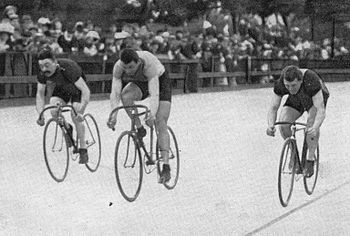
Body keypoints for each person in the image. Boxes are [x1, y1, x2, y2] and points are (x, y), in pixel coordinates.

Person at [107, 48, 172, 183]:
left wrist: (152, 114)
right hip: (141, 82)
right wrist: (114, 114)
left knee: (160, 122)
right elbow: (115, 93)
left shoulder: (148, 64)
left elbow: (155, 94)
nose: (128, 71)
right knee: (126, 96)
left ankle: (166, 166)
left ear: (138, 62)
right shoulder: (118, 67)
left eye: (131, 67)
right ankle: (139, 128)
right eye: (125, 68)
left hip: (160, 80)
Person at [266, 65, 329, 177]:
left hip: (315, 97)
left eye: (293, 85)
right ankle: (294, 155)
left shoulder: (310, 79)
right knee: (284, 123)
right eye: (287, 86)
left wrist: (315, 127)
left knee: (311, 124)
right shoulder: (281, 83)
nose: (290, 89)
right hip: (297, 98)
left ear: (300, 81)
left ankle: (310, 159)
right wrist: (270, 125)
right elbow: (273, 107)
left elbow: (321, 110)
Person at [35, 48, 91, 164]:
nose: (44, 69)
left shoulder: (69, 68)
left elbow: (85, 90)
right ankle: (67, 128)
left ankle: (83, 149)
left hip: (77, 89)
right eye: (41, 66)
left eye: (47, 65)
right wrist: (40, 114)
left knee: (75, 113)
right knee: (53, 111)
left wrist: (81, 111)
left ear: (55, 62)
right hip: (62, 89)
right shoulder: (42, 73)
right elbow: (40, 94)